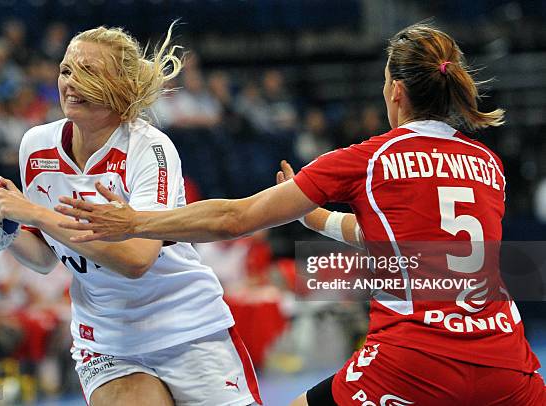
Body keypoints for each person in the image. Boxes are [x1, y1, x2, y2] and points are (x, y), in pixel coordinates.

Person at [53, 23, 545, 405]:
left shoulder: (371, 158)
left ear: (395, 91)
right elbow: (403, 240)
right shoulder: (489, 165)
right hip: (505, 357)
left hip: (415, 357)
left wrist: (136, 222)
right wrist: (318, 221)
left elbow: (235, 219)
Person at [0, 24, 262, 406]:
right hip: (106, 340)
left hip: (185, 329)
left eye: (89, 72)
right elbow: (42, 258)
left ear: (121, 86)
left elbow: (136, 259)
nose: (70, 83)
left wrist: (35, 213)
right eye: (66, 70)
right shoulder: (36, 146)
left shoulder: (150, 148)